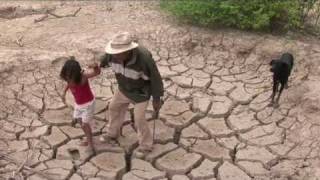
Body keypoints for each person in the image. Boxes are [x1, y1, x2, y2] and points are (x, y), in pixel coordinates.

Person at [99, 32, 164, 156]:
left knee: (139, 119)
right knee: (113, 108)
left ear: (128, 51)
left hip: (141, 93)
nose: (116, 56)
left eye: (119, 54)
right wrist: (97, 65)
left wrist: (156, 98)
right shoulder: (112, 55)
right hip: (123, 88)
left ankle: (146, 145)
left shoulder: (144, 58)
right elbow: (102, 62)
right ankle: (112, 133)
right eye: (114, 53)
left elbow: (156, 78)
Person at [60, 56, 101, 153]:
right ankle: (88, 137)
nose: (69, 77)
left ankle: (90, 145)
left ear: (77, 72)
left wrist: (95, 67)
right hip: (78, 104)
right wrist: (64, 92)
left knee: (85, 124)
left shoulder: (84, 75)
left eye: (71, 75)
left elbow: (96, 72)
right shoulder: (68, 76)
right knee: (80, 122)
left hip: (88, 104)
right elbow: (68, 83)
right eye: (68, 75)